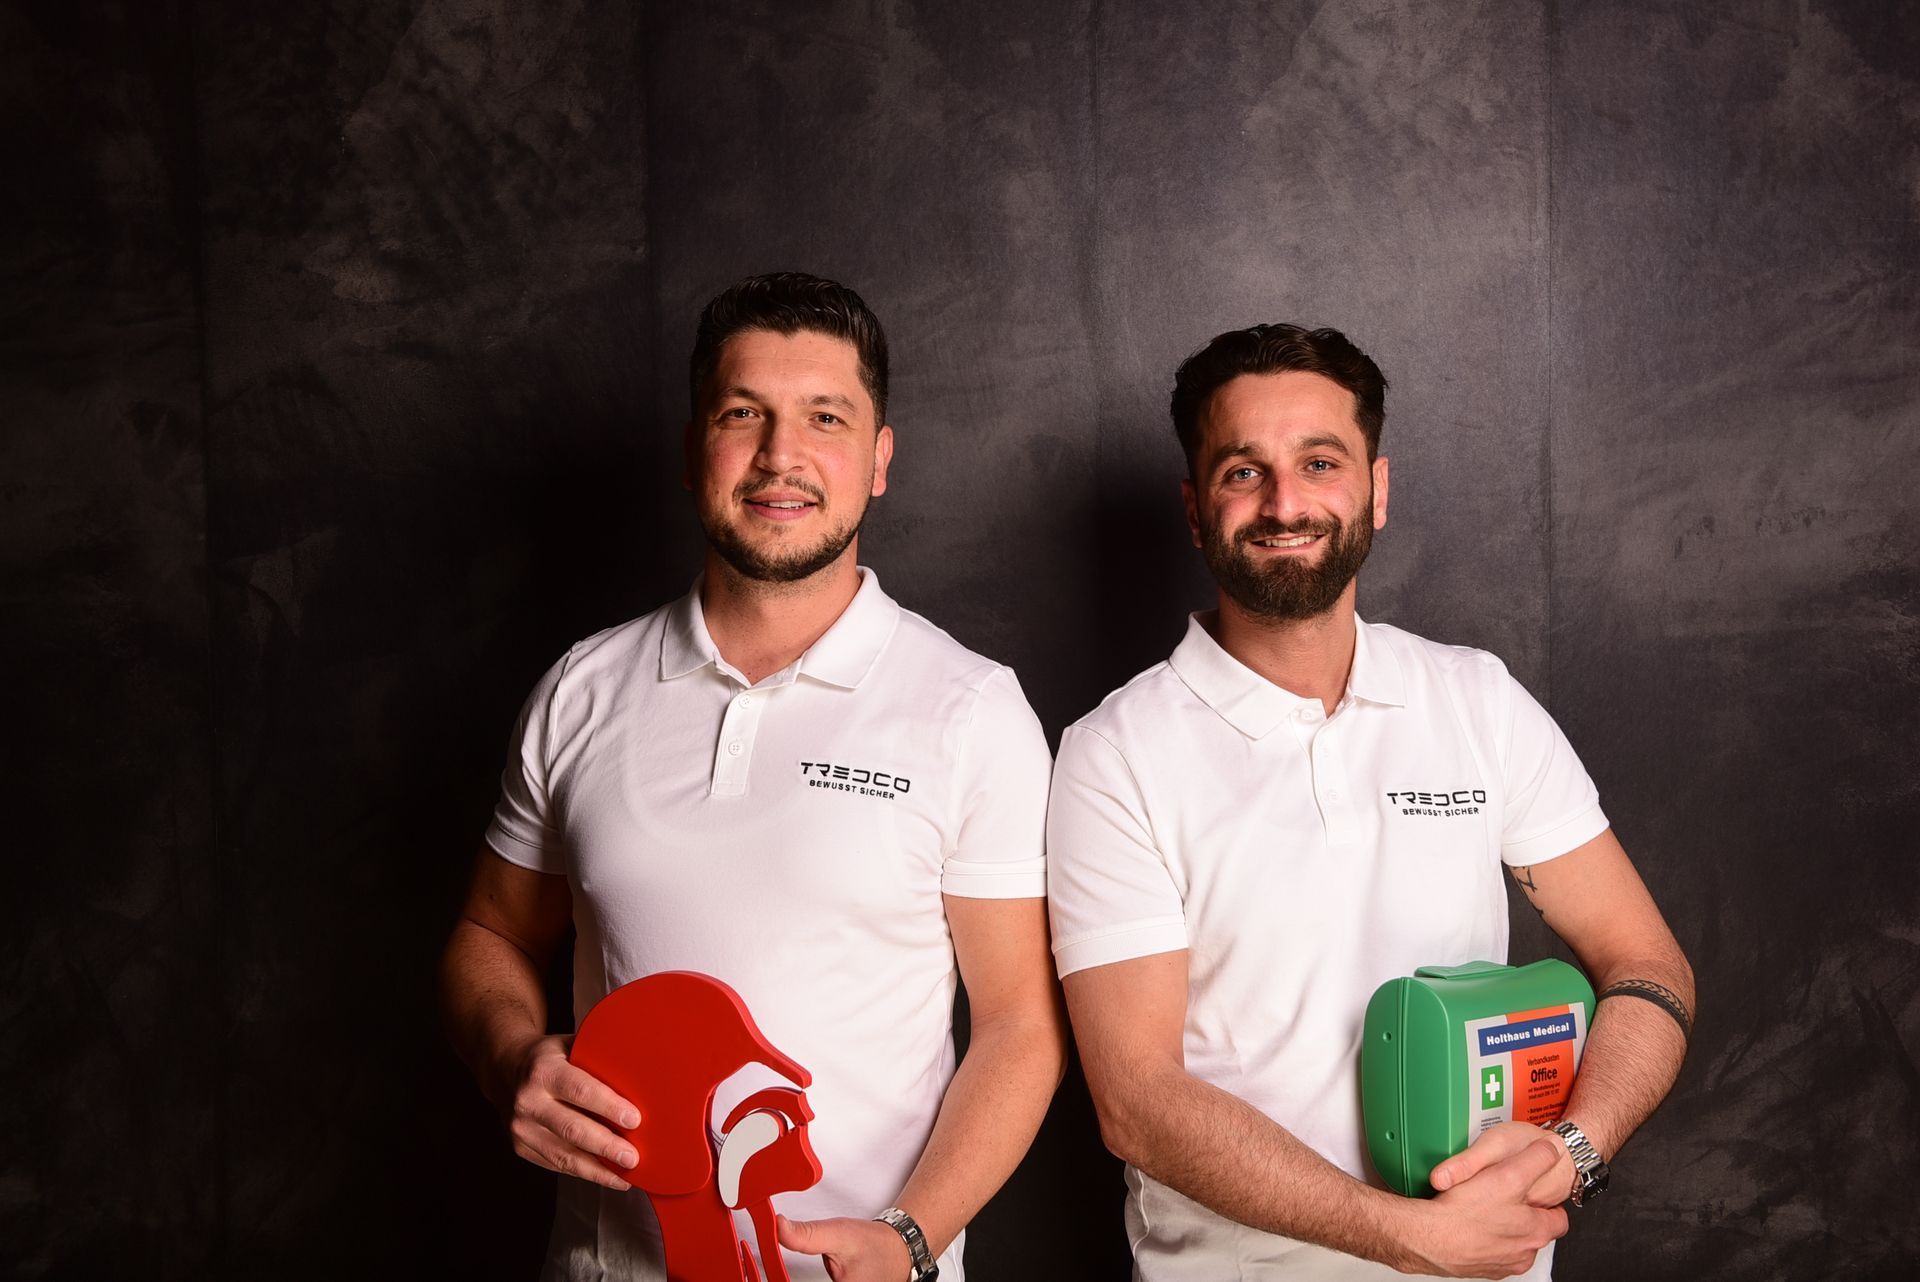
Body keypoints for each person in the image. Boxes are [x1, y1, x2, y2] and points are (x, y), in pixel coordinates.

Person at [442, 272, 1067, 1282]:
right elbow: (492, 933)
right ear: (695, 449)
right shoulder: (582, 688)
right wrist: (510, 1052)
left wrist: (911, 1236)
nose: (781, 455)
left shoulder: (968, 709)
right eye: (743, 414)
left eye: (826, 417)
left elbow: (1019, 1026)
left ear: (880, 459)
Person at [1045, 323, 1695, 1280]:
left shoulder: (1476, 701)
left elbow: (1647, 965)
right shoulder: (1115, 755)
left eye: (1320, 463)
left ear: (1377, 490)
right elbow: (1138, 1100)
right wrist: (1413, 1239)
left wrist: (1574, 1153)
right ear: (1195, 510)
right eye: (1243, 472)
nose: (1285, 503)